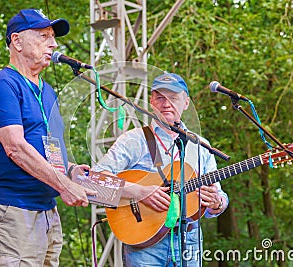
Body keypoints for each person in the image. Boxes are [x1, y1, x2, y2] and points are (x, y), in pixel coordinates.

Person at [0, 9, 96, 266]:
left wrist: (70, 171)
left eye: (53, 37)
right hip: (8, 211)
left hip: (46, 211)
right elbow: (15, 147)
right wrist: (64, 185)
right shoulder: (2, 84)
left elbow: (48, 150)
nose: (53, 43)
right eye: (43, 36)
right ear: (16, 41)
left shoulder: (47, 91)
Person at [93, 73, 229, 266]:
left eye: (173, 98)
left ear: (186, 103)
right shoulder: (133, 140)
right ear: (151, 101)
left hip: (189, 242)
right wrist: (139, 192)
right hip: (144, 243)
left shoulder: (201, 146)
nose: (166, 104)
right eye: (160, 98)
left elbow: (219, 196)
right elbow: (96, 180)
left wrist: (217, 203)